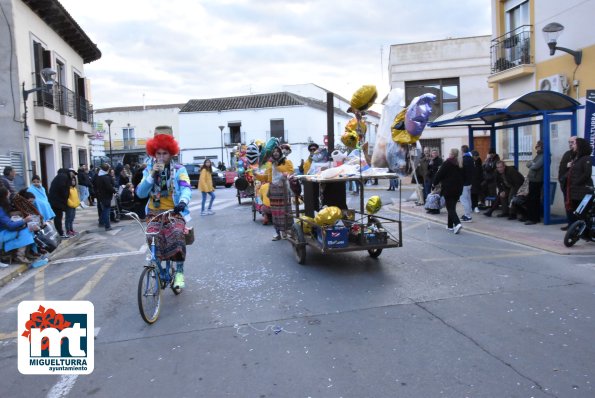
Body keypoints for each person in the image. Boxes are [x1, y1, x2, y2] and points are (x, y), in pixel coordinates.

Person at [136, 133, 191, 289]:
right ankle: (159, 270)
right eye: (158, 153)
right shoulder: (148, 170)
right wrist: (152, 174)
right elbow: (140, 193)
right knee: (152, 239)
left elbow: (186, 188)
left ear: (171, 153)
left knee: (177, 236)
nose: (161, 157)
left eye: (164, 153)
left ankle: (179, 272)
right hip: (154, 213)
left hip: (173, 212)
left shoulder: (180, 170)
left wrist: (182, 202)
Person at [255, 143, 294, 241]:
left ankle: (287, 232)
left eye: (277, 151)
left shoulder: (286, 161)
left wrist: (276, 165)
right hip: (273, 190)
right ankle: (278, 234)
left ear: (280, 152)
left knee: (285, 212)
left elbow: (290, 171)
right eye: (274, 152)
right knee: (275, 213)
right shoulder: (270, 164)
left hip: (284, 189)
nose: (276, 153)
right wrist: (256, 174)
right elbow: (266, 177)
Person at [0, 187, 39, 264]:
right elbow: (10, 225)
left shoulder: (4, 206)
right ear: (4, 196)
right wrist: (24, 220)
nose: (9, 194)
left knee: (30, 228)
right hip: (2, 233)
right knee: (27, 231)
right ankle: (20, 255)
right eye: (8, 193)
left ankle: (28, 253)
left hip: (5, 230)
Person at [563, 137, 594, 229]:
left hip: (584, 192)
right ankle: (580, 231)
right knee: (577, 213)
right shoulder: (577, 158)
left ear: (580, 146)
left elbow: (587, 174)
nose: (573, 145)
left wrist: (576, 182)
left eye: (575, 143)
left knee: (583, 213)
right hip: (575, 192)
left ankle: (587, 232)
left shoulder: (586, 158)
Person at [432, 148, 464, 234]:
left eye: (450, 153)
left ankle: (457, 223)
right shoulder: (460, 163)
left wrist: (434, 183)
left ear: (452, 154)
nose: (449, 154)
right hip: (458, 189)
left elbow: (439, 174)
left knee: (449, 207)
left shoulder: (448, 163)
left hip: (449, 188)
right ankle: (450, 226)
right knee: (452, 206)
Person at [558, 136, 576, 230]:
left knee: (573, 205)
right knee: (567, 204)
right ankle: (570, 223)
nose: (570, 144)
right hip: (565, 183)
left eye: (572, 142)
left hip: (573, 185)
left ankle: (574, 225)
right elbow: (562, 167)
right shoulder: (567, 154)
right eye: (569, 142)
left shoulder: (579, 155)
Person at [524, 141, 544, 225]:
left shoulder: (544, 156)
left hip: (537, 180)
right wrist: (532, 163)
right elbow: (528, 164)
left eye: (537, 146)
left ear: (542, 146)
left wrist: (532, 164)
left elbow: (535, 166)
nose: (536, 148)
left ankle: (534, 218)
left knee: (534, 199)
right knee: (530, 199)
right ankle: (531, 217)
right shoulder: (538, 155)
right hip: (532, 179)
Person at [48, 168, 72, 239]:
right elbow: (63, 189)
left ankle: (60, 232)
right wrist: (65, 197)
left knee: (58, 217)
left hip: (55, 201)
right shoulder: (63, 177)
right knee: (58, 217)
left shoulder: (58, 177)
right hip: (57, 202)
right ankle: (60, 233)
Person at [94, 163, 117, 231]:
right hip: (106, 195)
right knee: (106, 210)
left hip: (100, 195)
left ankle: (101, 222)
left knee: (104, 210)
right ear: (108, 169)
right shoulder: (105, 177)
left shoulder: (98, 176)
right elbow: (109, 186)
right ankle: (107, 226)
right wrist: (114, 191)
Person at [459, 145, 474, 222]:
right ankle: (467, 214)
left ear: (462, 151)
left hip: (464, 183)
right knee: (468, 199)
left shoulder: (463, 160)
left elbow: (461, 172)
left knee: (464, 200)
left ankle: (468, 216)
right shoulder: (471, 159)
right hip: (469, 182)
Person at [65, 170, 80, 236]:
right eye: (72, 180)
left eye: (74, 180)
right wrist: (71, 203)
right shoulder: (68, 189)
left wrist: (77, 203)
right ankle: (68, 230)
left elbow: (76, 197)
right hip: (70, 206)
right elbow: (67, 198)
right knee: (68, 218)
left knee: (72, 218)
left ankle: (71, 229)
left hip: (74, 205)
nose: (73, 182)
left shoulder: (74, 189)